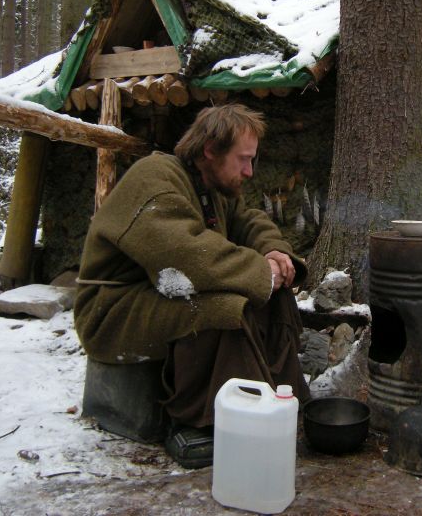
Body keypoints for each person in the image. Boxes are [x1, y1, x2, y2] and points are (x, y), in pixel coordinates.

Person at [74, 103, 310, 468]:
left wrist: (275, 251)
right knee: (225, 308)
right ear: (210, 151)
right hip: (112, 311)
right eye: (243, 160)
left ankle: (282, 404)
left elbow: (247, 218)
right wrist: (261, 271)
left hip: (159, 294)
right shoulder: (156, 180)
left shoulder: (212, 183)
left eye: (253, 161)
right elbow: (188, 257)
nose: (249, 171)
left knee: (272, 298)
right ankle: (199, 419)